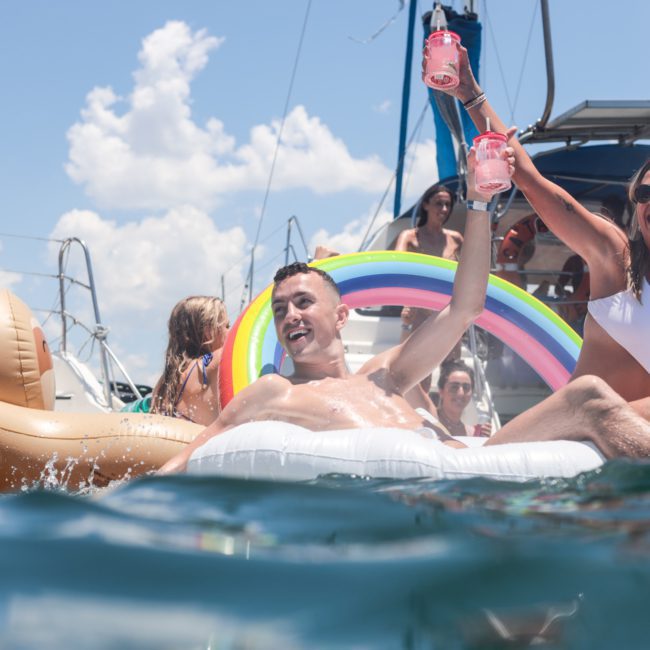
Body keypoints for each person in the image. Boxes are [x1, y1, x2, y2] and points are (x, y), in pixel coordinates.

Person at [159, 143, 513, 473]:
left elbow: (466, 308)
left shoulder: (387, 374)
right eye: (280, 310)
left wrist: (479, 202)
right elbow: (193, 455)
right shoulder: (276, 390)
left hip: (463, 480)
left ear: (342, 316)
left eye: (304, 302)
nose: (290, 315)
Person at [440, 41, 650, 410]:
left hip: (637, 455)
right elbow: (533, 182)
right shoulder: (617, 260)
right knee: (594, 403)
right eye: (645, 193)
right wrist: (471, 95)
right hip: (581, 444)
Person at [396, 183, 464, 396]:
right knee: (419, 380)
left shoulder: (456, 239)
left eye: (447, 205)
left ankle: (446, 423)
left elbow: (468, 273)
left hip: (448, 312)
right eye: (438, 204)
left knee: (451, 374)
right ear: (425, 205)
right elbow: (396, 266)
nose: (444, 209)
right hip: (419, 312)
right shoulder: (409, 237)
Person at [141, 296, 229, 426]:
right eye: (227, 326)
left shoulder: (165, 381)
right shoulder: (213, 363)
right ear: (208, 331)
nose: (230, 332)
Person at [434, 359, 491, 437]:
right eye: (454, 387)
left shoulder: (473, 433)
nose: (461, 393)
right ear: (441, 391)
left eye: (466, 387)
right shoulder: (429, 421)